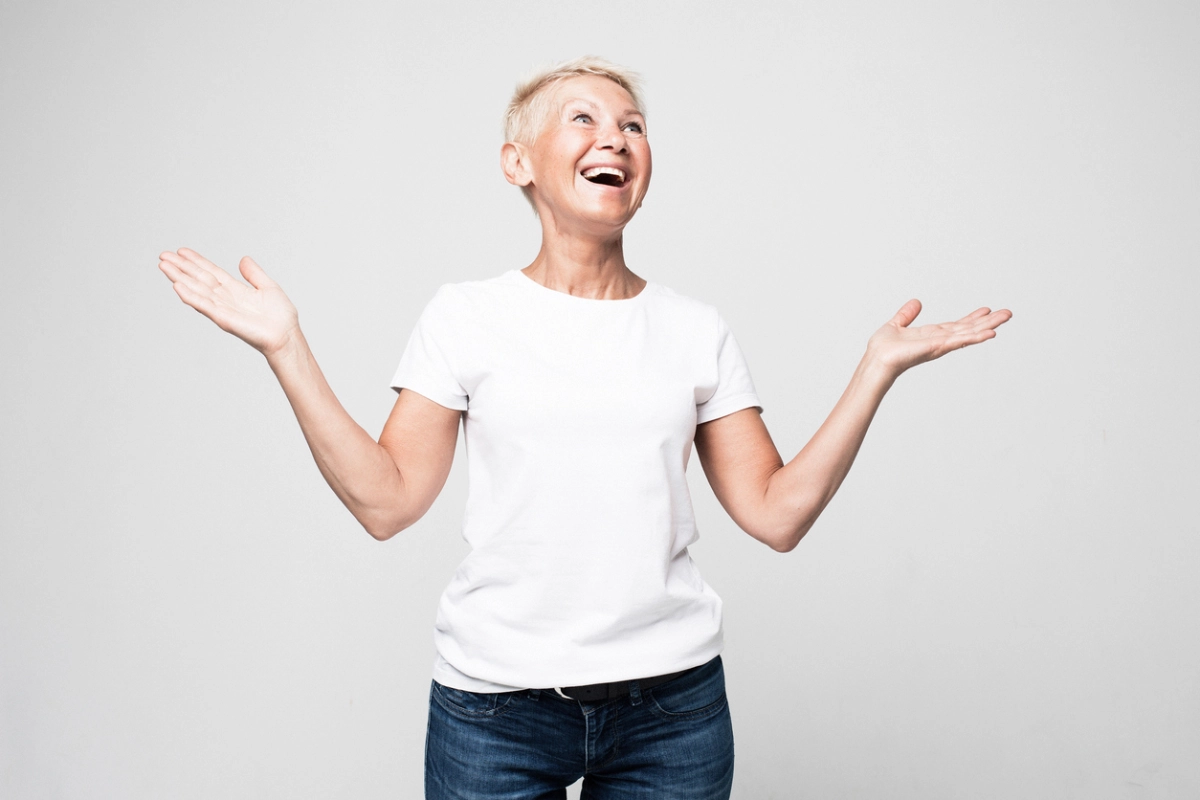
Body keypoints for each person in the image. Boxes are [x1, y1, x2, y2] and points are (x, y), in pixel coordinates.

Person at [158, 56, 1011, 799]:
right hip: (495, 710)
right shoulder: (465, 317)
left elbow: (777, 514)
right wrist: (285, 347)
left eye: (633, 125)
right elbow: (386, 502)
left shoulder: (694, 329)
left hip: (671, 710)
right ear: (517, 162)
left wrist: (875, 370)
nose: (616, 137)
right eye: (585, 118)